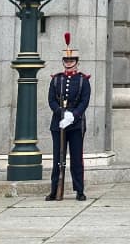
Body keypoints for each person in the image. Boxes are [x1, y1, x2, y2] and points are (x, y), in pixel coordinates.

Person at [46, 33, 90, 202]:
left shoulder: (83, 81)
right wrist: (62, 114)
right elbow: (51, 101)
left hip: (76, 124)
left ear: (77, 62)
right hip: (58, 124)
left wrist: (73, 115)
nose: (69, 63)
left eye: (72, 61)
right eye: (66, 60)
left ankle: (79, 190)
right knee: (58, 158)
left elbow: (85, 101)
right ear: (63, 62)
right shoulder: (56, 80)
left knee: (77, 158)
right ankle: (55, 190)